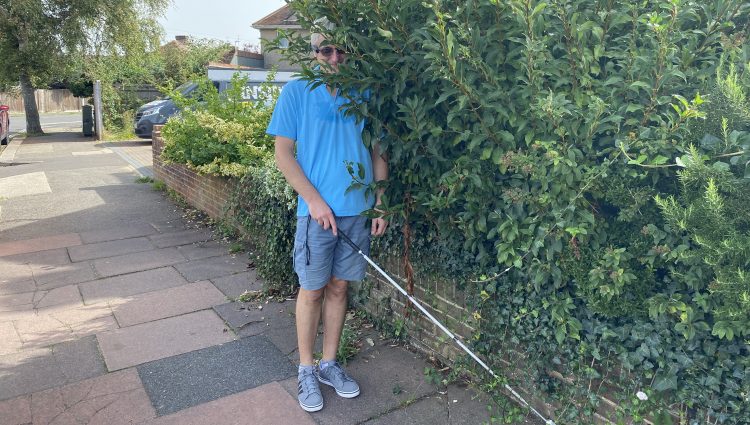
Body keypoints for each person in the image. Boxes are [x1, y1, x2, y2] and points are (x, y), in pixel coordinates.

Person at [266, 26, 388, 413]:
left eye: (342, 51)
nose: (335, 58)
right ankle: (305, 368)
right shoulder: (296, 92)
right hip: (316, 214)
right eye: (327, 51)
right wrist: (315, 201)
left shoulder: (364, 94)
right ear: (314, 53)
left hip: (357, 210)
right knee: (313, 289)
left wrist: (380, 202)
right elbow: (283, 154)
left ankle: (329, 364)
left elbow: (378, 151)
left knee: (339, 288)